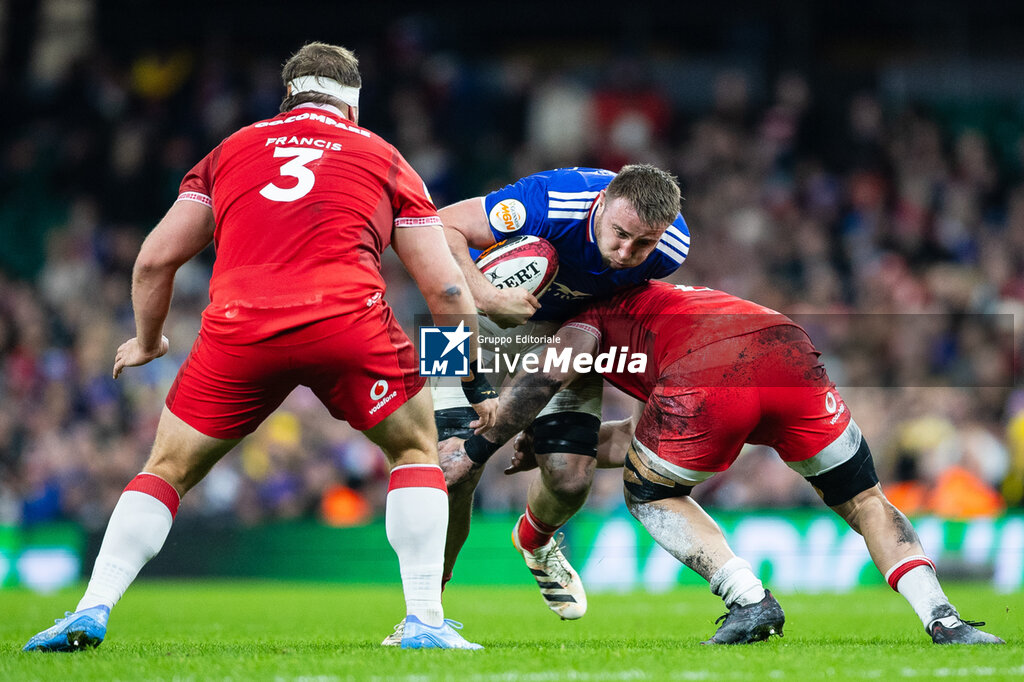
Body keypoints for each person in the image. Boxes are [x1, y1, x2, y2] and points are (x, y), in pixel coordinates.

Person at [23, 42, 496, 652]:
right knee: (414, 448)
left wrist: (147, 342)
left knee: (165, 470)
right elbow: (449, 289)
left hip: (239, 327)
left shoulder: (229, 151)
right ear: (351, 104)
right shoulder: (381, 155)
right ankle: (425, 620)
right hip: (347, 322)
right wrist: (467, 383)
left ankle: (91, 609)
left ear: (288, 94)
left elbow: (152, 261)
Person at [446, 281, 1005, 645]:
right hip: (783, 346)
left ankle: (749, 600)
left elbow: (546, 377)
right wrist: (556, 445)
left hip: (707, 374)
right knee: (865, 500)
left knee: (650, 492)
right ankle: (944, 619)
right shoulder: (663, 300)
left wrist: (480, 446)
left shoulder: (582, 320)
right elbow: (643, 439)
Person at [379, 165, 689, 644]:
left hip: (556, 332)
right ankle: (425, 614)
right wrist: (486, 293)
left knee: (568, 476)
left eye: (642, 244)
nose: (626, 253)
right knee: (455, 465)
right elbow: (440, 224)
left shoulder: (670, 251)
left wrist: (531, 399)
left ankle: (536, 542)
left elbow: (607, 313)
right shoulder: (549, 203)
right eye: (620, 235)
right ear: (602, 203)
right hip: (467, 317)